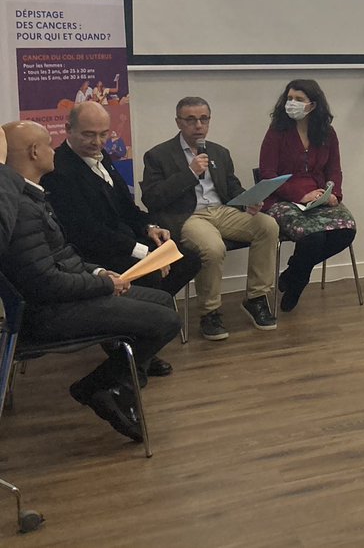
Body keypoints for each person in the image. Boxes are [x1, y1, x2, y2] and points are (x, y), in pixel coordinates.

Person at [0, 121, 180, 443]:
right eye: (48, 144)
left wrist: (97, 273)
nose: (54, 150)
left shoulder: (29, 197)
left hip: (66, 297)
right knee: (166, 319)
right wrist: (105, 285)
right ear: (34, 152)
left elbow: (65, 255)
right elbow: (45, 283)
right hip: (48, 313)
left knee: (164, 303)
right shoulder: (23, 208)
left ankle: (115, 385)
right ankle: (98, 387)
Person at [41, 102, 200, 379]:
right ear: (68, 129)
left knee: (189, 259)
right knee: (150, 275)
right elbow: (84, 231)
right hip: (92, 253)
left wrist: (150, 227)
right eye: (89, 134)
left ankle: (137, 334)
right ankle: (130, 345)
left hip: (124, 241)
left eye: (103, 134)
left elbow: (127, 208)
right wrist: (143, 253)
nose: (98, 141)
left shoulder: (104, 159)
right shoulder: (59, 169)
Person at [141, 97, 279, 340]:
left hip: (222, 211)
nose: (198, 125)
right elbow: (153, 198)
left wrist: (248, 199)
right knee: (212, 248)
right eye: (191, 120)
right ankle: (210, 312)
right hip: (189, 216)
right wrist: (190, 173)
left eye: (204, 119)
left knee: (267, 225)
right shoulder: (157, 155)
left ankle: (256, 298)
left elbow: (232, 188)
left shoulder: (219, 152)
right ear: (178, 122)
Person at [258, 80, 356, 312]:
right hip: (281, 199)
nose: (292, 103)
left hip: (319, 197)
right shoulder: (276, 132)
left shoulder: (327, 133)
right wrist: (299, 195)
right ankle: (298, 284)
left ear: (312, 105)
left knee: (346, 231)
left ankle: (291, 274)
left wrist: (335, 194)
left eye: (299, 100)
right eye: (289, 98)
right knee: (314, 238)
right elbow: (267, 174)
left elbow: (334, 169)